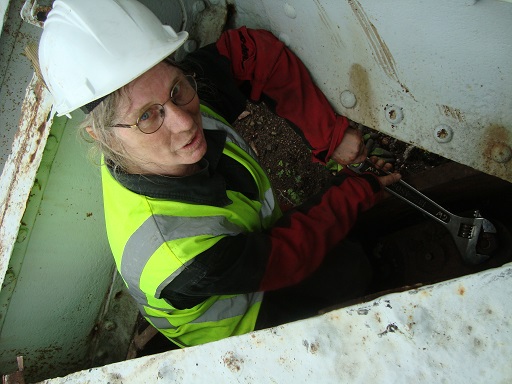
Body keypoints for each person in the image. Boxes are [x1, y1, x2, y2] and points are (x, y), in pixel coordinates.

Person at [39, 0, 401, 348]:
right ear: (101, 136)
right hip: (242, 323)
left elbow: (252, 53)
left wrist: (330, 136)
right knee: (350, 271)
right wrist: (356, 191)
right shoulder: (174, 252)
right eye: (147, 116)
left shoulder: (177, 97)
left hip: (250, 249)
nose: (184, 121)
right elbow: (287, 256)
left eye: (176, 89)